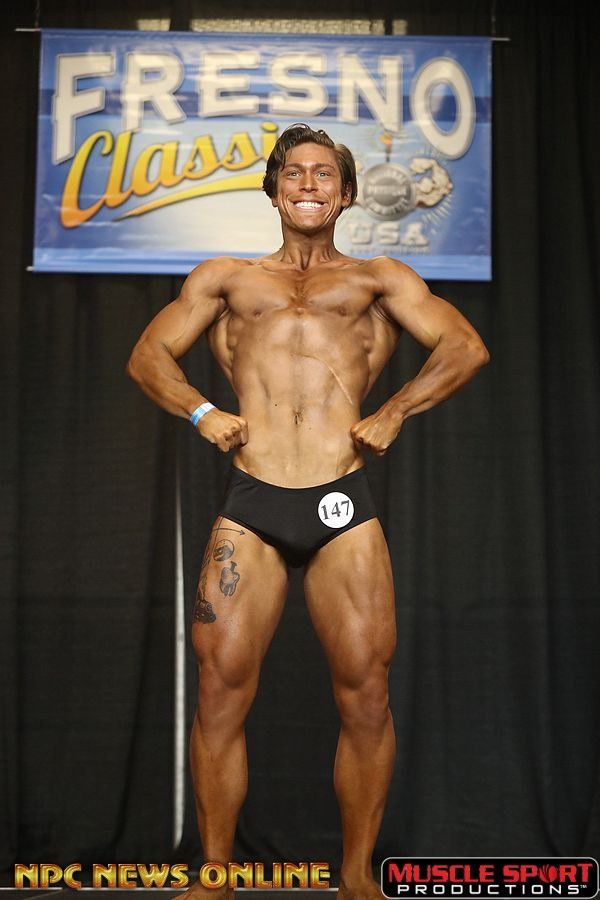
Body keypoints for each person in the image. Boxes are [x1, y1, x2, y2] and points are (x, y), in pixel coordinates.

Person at [126, 123, 490, 899]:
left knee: (366, 694)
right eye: (294, 173)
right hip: (253, 501)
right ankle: (216, 876)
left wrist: (394, 410)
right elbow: (147, 356)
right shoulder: (226, 280)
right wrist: (201, 412)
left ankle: (356, 875)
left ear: (347, 194)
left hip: (341, 502)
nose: (309, 185)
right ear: (274, 190)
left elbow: (464, 346)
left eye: (325, 174)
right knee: (219, 689)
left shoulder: (378, 280)